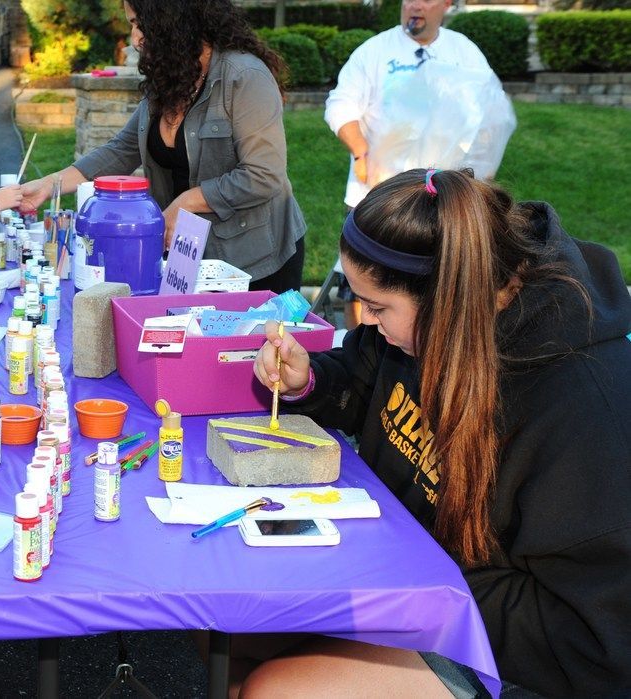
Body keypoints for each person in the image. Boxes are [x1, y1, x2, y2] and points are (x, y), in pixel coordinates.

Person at [243, 168, 631, 697]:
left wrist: (422, 584)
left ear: (449, 299)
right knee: (240, 629)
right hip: (413, 578)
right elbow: (364, 377)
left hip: (513, 650)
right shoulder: (421, 331)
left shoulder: (582, 409)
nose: (366, 322)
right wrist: (308, 380)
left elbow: (596, 636)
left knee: (272, 690)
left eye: (377, 309)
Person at [20, 0, 307, 294]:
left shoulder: (245, 76)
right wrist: (48, 185)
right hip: (189, 254)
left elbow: (263, 176)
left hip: (255, 262)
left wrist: (186, 202)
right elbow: (121, 150)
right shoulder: (172, 77)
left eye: (138, 23)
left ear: (171, 18)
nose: (135, 38)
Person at [324, 0, 504, 327]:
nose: (414, 5)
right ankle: (365, 359)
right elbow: (340, 106)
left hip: (441, 199)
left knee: (435, 291)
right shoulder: (374, 52)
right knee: (368, 287)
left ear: (447, 4)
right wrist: (361, 151)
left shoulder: (465, 54)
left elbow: (490, 115)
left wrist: (481, 169)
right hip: (380, 197)